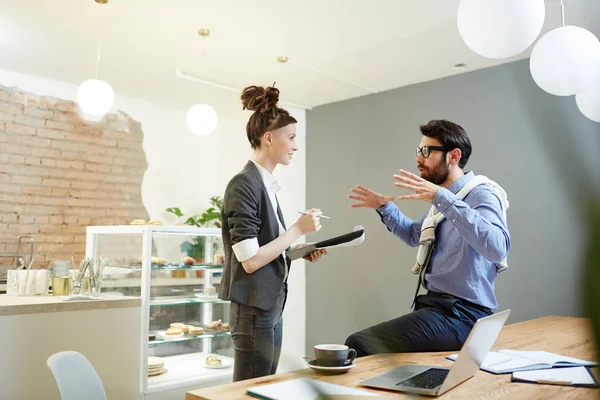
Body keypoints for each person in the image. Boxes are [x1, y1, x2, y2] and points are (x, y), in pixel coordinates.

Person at [345, 119, 510, 356]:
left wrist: (442, 199)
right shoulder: (444, 199)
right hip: (435, 308)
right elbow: (415, 235)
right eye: (418, 151)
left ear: (453, 156)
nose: (418, 158)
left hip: (463, 315)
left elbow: (497, 248)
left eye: (426, 151)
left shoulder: (481, 194)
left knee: (357, 343)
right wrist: (384, 207)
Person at [219, 85, 327, 381]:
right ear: (269, 138)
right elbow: (250, 261)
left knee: (263, 386)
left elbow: (268, 247)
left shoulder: (264, 184)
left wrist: (301, 249)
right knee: (249, 392)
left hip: (269, 305)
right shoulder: (243, 184)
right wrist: (296, 229)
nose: (295, 146)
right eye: (291, 138)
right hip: (254, 308)